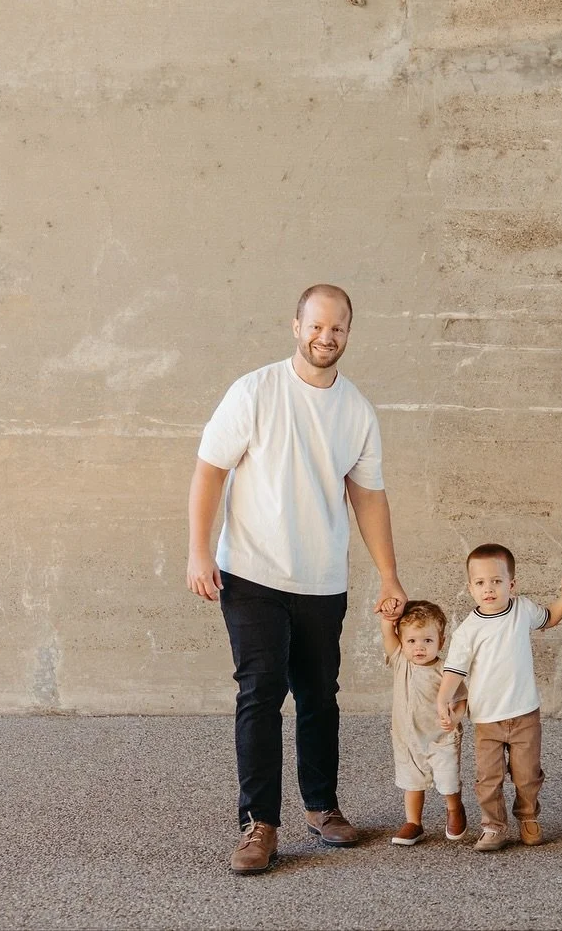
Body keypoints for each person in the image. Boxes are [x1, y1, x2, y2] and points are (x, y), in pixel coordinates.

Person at [186, 283, 407, 875]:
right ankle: (259, 825)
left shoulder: (356, 410)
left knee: (319, 696)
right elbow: (209, 471)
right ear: (296, 326)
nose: (325, 337)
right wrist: (198, 552)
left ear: (348, 334)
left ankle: (322, 806)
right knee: (260, 691)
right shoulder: (256, 391)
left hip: (321, 578)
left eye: (337, 328)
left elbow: (369, 496)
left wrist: (389, 575)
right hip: (251, 571)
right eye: (316, 325)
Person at [435, 543, 562, 852]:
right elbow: (454, 671)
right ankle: (493, 826)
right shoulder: (468, 631)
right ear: (471, 587)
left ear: (511, 584)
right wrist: (443, 698)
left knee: (527, 775)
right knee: (488, 778)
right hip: (488, 719)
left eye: (497, 581)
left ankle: (527, 816)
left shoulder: (523, 609)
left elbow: (550, 617)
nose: (489, 589)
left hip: (525, 713)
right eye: (480, 583)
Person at [377, 599, 468, 846]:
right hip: (408, 739)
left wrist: (455, 717)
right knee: (411, 782)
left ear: (441, 641)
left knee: (447, 780)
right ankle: (414, 823)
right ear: (402, 642)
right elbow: (387, 631)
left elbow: (462, 700)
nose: (419, 647)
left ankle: (454, 808)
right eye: (412, 641)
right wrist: (389, 612)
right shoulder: (400, 661)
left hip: (441, 738)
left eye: (428, 640)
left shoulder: (445, 671)